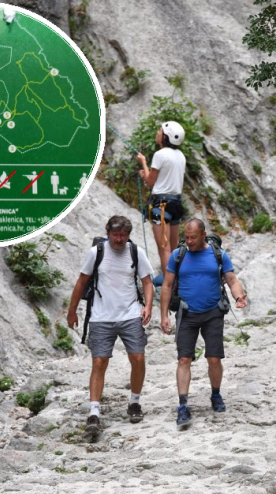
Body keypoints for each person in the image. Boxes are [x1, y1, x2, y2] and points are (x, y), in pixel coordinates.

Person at [67, 216, 154, 433]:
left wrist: (148, 306)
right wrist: (72, 311)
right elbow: (81, 282)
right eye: (115, 234)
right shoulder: (96, 253)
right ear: (108, 233)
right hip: (100, 315)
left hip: (130, 313)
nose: (119, 239)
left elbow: (147, 282)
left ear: (128, 235)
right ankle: (94, 412)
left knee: (138, 357)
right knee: (99, 362)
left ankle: (134, 402)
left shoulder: (136, 252)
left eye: (123, 235)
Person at [160, 218, 247, 427]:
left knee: (214, 359)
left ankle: (216, 394)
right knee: (183, 359)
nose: (189, 241)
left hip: (213, 313)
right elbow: (167, 285)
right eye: (186, 237)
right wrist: (163, 315)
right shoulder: (178, 255)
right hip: (186, 313)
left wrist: (239, 297)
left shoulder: (217, 254)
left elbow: (232, 280)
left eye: (193, 237)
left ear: (203, 234)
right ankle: (183, 405)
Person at [137, 121, 186, 284]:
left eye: (160, 131)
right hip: (176, 204)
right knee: (174, 248)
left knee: (163, 248)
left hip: (161, 205)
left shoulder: (160, 155)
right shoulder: (181, 156)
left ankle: (168, 284)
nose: (157, 133)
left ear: (166, 136)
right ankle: (176, 279)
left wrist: (143, 163)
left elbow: (150, 182)